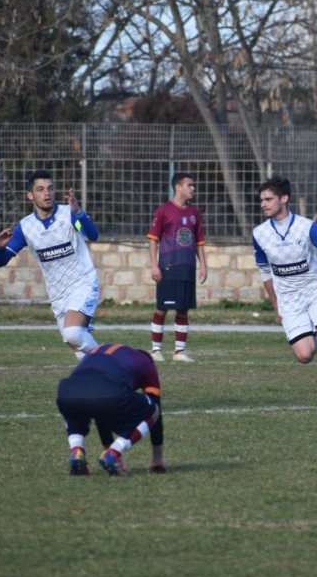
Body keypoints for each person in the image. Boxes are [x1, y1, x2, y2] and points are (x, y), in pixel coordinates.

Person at [252, 175, 317, 413]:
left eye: (268, 199)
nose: (264, 204)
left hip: (315, 291)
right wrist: (275, 304)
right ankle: (311, 330)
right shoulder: (259, 234)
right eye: (261, 200)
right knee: (304, 355)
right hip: (289, 300)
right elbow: (265, 271)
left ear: (284, 199)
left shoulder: (306, 226)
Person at [0, 170, 100, 360]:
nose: (47, 193)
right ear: (30, 196)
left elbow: (91, 234)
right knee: (76, 346)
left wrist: (79, 213)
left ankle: (113, 359)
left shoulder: (68, 216)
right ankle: (103, 383)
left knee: (73, 333)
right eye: (40, 189)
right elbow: (1, 262)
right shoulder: (25, 228)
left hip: (82, 283)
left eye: (50, 188)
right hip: (58, 294)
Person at [56, 343, 167, 476]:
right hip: (106, 393)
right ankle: (114, 452)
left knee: (77, 408)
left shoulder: (102, 350)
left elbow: (101, 415)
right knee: (153, 410)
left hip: (67, 392)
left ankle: (76, 450)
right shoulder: (146, 364)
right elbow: (157, 408)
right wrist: (157, 457)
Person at [147, 172, 208, 362]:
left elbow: (199, 242)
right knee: (161, 308)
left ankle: (179, 352)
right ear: (178, 187)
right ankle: (156, 350)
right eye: (190, 185)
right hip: (167, 267)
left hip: (187, 268)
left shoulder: (194, 212)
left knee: (183, 309)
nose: (193, 189)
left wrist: (203, 266)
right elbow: (153, 240)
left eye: (193, 185)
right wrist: (154, 265)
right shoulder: (164, 210)